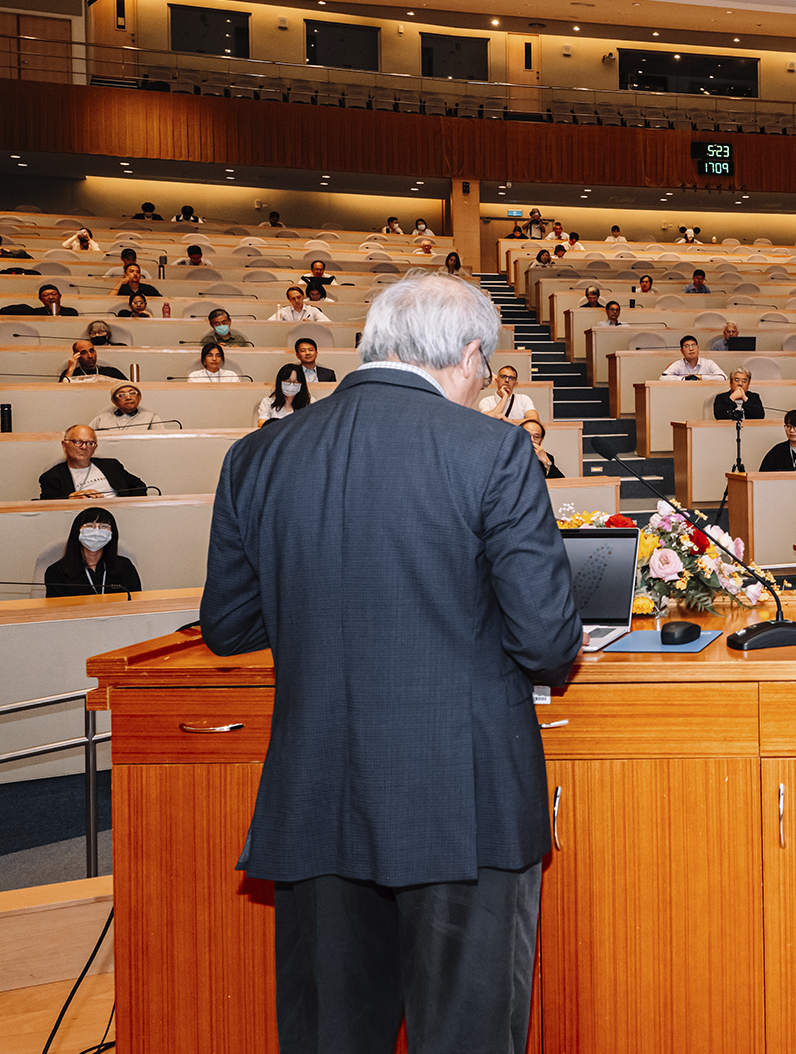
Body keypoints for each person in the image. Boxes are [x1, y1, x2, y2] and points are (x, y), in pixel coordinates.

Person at [201, 273, 578, 1054]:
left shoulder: (257, 454)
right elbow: (547, 643)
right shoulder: (493, 448)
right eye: (483, 367)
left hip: (317, 796)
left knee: (330, 1036)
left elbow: (229, 626)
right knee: (468, 1037)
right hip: (463, 801)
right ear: (468, 355)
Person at [42, 508, 144, 598]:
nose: (96, 531)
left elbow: (135, 602)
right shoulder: (56, 572)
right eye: (90, 526)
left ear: (112, 533)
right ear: (77, 531)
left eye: (104, 526)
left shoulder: (124, 567)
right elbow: (57, 610)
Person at [38, 425, 149, 498]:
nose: (84, 447)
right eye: (78, 442)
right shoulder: (52, 477)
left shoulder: (111, 466)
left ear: (95, 448)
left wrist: (128, 508)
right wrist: (70, 500)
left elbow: (139, 486)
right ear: (64, 445)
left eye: (90, 443)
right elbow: (48, 507)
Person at [95, 383, 164, 432]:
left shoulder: (151, 418)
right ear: (114, 401)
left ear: (139, 398)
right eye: (122, 395)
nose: (128, 397)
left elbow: (161, 442)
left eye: (132, 393)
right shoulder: (101, 418)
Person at [662, 334, 726, 380]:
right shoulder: (678, 364)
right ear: (681, 351)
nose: (691, 349)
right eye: (687, 346)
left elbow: (723, 377)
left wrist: (700, 377)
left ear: (698, 348)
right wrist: (685, 379)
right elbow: (663, 378)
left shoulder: (708, 363)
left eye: (693, 345)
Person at [60, 340, 127, 383]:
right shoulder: (71, 374)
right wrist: (71, 369)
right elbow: (61, 393)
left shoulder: (112, 372)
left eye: (91, 351)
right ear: (76, 356)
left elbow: (130, 388)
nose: (90, 356)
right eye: (84, 353)